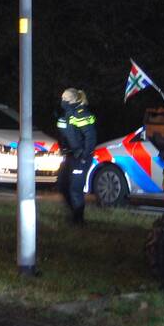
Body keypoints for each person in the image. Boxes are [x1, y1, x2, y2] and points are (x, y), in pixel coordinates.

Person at [56, 88, 97, 225]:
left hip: (80, 157)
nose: (62, 101)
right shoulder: (66, 115)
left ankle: (79, 220)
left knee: (75, 188)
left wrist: (84, 156)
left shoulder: (82, 114)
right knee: (62, 184)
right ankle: (75, 214)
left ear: (73, 100)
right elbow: (64, 135)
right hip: (69, 156)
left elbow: (90, 138)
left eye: (65, 99)